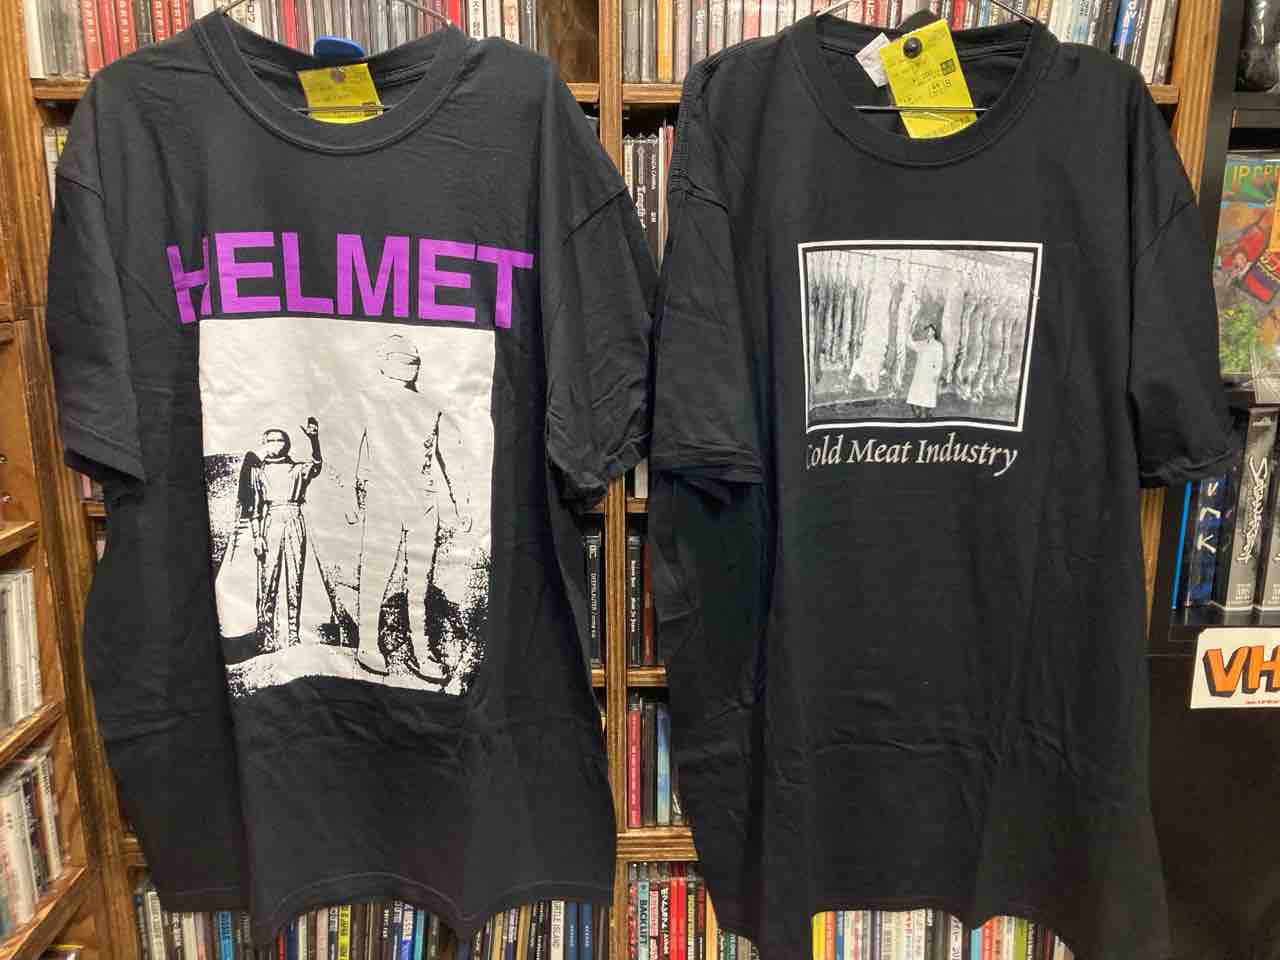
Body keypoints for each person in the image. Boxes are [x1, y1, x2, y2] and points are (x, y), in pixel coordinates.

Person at [352, 335, 489, 690]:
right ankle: (367, 643)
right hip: (384, 497)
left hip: (423, 501)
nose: (410, 366)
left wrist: (460, 504)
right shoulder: (368, 403)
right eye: (403, 359)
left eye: (413, 360)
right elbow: (356, 453)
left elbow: (449, 460)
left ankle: (422, 649)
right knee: (376, 574)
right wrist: (354, 498)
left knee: (418, 583)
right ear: (385, 361)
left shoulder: (430, 408)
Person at [251, 420, 322, 651]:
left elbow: (317, 465)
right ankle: (267, 635)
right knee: (268, 579)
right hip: (270, 520)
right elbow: (255, 508)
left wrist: (314, 440)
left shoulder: (297, 469)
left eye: (279, 439)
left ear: (287, 443)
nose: (275, 443)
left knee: (295, 578)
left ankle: (293, 634)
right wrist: (257, 536)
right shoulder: (258, 472)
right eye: (270, 440)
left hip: (293, 517)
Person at [906, 323, 945, 419]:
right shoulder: (922, 343)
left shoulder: (938, 345)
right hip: (919, 373)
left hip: (929, 374)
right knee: (913, 398)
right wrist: (908, 333)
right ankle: (920, 416)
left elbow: (939, 361)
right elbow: (911, 345)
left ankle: (926, 416)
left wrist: (936, 374)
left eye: (930, 330)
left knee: (926, 398)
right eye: (927, 330)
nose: (928, 332)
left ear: (934, 332)